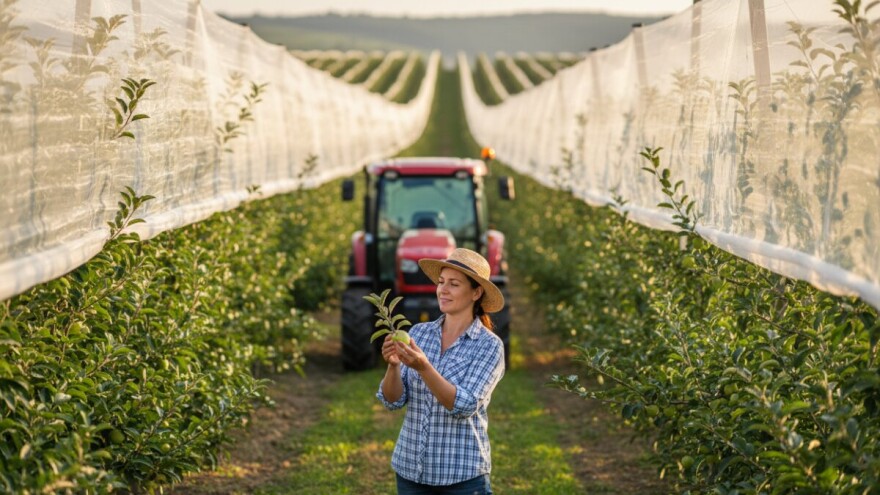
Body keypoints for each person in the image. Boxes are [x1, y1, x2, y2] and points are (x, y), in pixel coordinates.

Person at [376, 248, 506, 495]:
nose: (443, 290)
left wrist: (424, 367)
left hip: (461, 477)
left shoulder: (489, 346)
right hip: (411, 471)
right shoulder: (419, 334)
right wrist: (393, 366)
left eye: (454, 284)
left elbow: (464, 406)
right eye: (441, 282)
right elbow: (393, 400)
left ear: (476, 292)